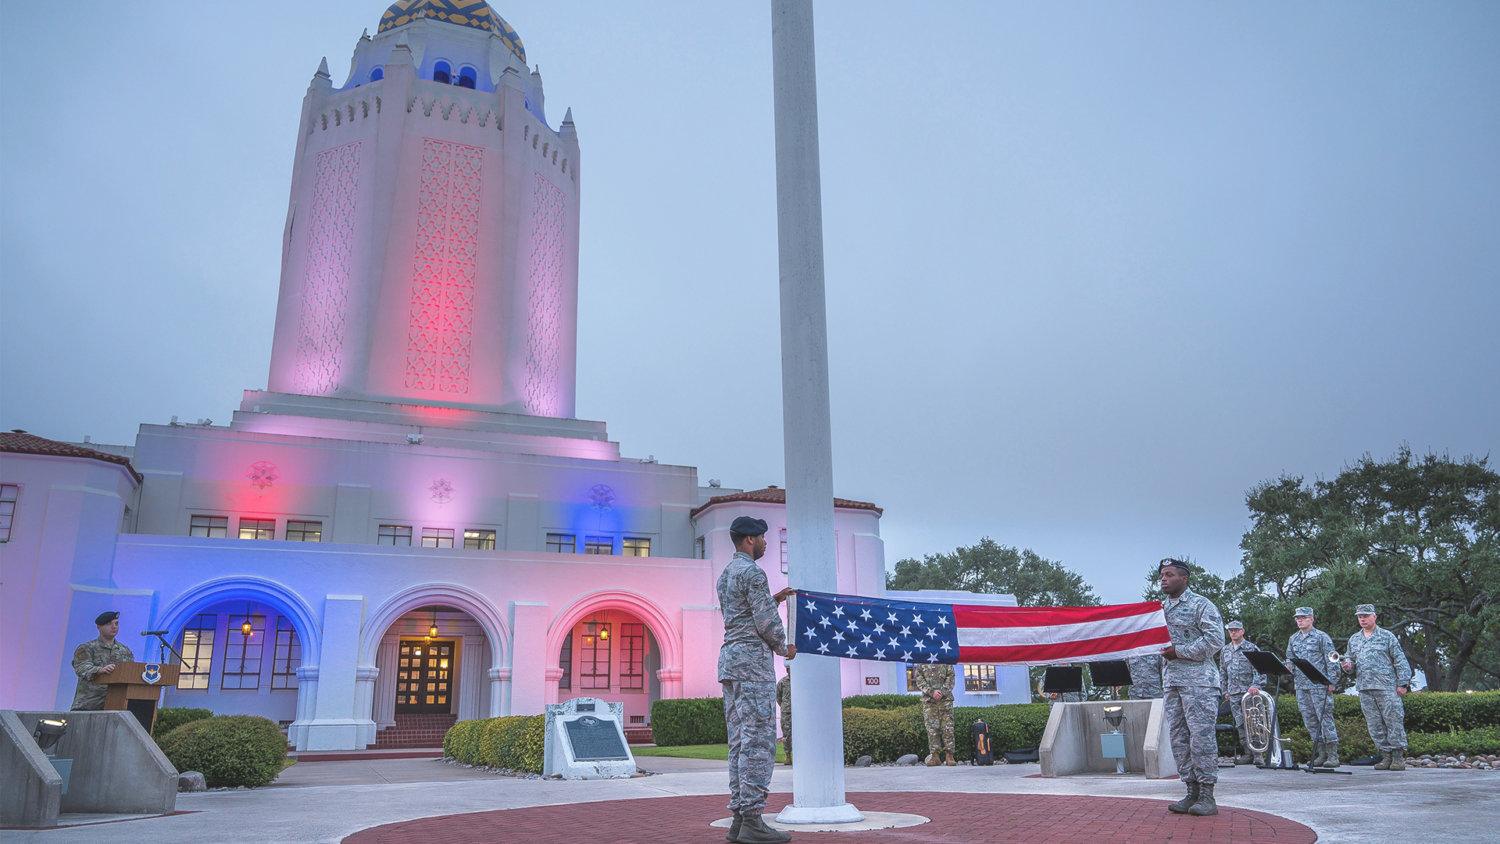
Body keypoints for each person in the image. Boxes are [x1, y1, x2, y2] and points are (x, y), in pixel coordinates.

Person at [717, 515, 795, 844]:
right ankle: (752, 820)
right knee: (759, 742)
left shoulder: (726, 574)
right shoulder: (752, 572)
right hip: (752, 664)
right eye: (762, 538)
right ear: (749, 540)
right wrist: (784, 646)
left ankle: (739, 818)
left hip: (731, 661)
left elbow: (742, 613)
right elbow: (765, 622)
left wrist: (773, 599)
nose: (765, 543)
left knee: (739, 743)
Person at [1157, 558, 1225, 817]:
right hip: (1172, 681)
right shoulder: (1160, 609)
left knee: (1201, 738)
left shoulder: (1201, 605)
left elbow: (1215, 640)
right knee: (1179, 738)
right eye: (1162, 574)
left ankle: (1208, 794)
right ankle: (1191, 790)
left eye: (1170, 574)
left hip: (1199, 682)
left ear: (1184, 579)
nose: (1164, 579)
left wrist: (1180, 652)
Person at [1340, 604, 1412, 771]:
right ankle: (1385, 756)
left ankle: (1397, 756)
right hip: (1365, 688)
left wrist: (1403, 683)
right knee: (1374, 725)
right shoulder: (1354, 639)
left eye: (1365, 616)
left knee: (1393, 721)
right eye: (1359, 616)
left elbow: (1400, 660)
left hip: (1386, 687)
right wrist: (1347, 667)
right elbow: (1350, 661)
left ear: (1374, 617)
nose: (1362, 619)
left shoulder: (1387, 637)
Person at [1286, 606, 1340, 767]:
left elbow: (1332, 660)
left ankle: (1333, 755)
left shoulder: (1321, 637)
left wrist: (1332, 681)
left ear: (1312, 619)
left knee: (1325, 718)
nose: (1300, 620)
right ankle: (1321, 752)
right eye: (1297, 618)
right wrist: (1288, 666)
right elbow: (1290, 657)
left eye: (1303, 617)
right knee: (1310, 720)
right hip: (1302, 685)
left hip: (1319, 685)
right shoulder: (1294, 639)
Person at [1219, 620, 1266, 765]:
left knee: (1254, 722)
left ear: (1242, 631)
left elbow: (1260, 669)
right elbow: (1222, 672)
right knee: (1240, 724)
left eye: (1236, 630)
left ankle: (1258, 755)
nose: (1233, 632)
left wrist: (1255, 685)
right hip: (1233, 694)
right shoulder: (1225, 650)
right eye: (1231, 630)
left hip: (1250, 693)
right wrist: (1225, 690)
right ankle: (1247, 753)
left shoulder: (1252, 649)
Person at [71, 611, 134, 710]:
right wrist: (100, 670)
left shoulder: (125, 651)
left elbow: (130, 673)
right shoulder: (87, 648)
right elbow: (82, 668)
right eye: (109, 624)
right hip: (89, 705)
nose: (114, 627)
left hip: (115, 705)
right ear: (99, 627)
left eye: (116, 623)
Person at [912, 661, 957, 766]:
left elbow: (950, 677)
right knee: (932, 729)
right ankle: (935, 756)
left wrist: (942, 692)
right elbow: (919, 679)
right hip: (929, 701)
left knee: (948, 728)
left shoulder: (945, 660)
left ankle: (949, 756)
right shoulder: (922, 661)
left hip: (945, 700)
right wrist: (931, 692)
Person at [776, 670, 792, 766]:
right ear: (787, 670)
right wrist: (784, 706)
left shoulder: (800, 679)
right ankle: (788, 757)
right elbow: (778, 696)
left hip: (799, 711)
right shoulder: (782, 682)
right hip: (787, 712)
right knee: (787, 735)